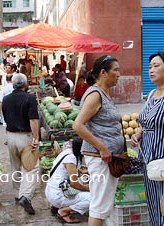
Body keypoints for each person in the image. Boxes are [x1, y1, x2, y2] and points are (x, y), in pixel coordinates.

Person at [72, 55, 122, 226]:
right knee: (98, 208)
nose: (119, 74)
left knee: (101, 205)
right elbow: (77, 125)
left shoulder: (105, 94)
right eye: (115, 70)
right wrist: (102, 148)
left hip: (106, 159)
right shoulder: (95, 94)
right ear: (103, 72)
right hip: (100, 159)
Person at [131, 52, 164, 226]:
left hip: (162, 161)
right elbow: (146, 121)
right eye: (150, 66)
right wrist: (138, 133)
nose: (151, 70)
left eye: (156, 66)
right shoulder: (151, 94)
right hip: (148, 161)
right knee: (153, 204)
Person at [2, 73, 39, 215]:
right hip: (25, 136)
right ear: (26, 85)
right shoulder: (30, 98)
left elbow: (5, 117)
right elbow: (34, 120)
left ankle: (18, 195)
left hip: (10, 136)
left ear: (13, 85)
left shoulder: (5, 99)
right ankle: (26, 196)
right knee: (31, 167)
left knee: (15, 165)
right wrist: (36, 138)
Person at [45, 137, 90, 224]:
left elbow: (64, 168)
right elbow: (74, 184)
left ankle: (57, 205)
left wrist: (82, 171)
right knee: (93, 199)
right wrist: (88, 188)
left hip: (51, 191)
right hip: (57, 195)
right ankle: (63, 211)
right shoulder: (71, 159)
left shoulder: (67, 152)